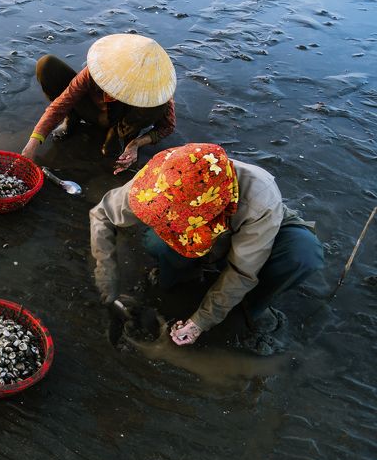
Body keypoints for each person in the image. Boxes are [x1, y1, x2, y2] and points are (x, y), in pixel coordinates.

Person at [90, 143, 323, 354]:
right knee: (157, 243)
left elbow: (242, 271)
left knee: (303, 255)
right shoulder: (164, 175)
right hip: (207, 233)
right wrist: (106, 272)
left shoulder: (261, 197)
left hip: (260, 230)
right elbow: (102, 215)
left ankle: (249, 307)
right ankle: (180, 276)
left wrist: (200, 322)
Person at [21, 33, 177, 174]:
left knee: (158, 105)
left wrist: (136, 144)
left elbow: (167, 127)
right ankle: (71, 119)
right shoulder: (99, 69)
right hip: (94, 110)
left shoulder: (157, 89)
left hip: (123, 120)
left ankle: (117, 135)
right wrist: (33, 142)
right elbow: (62, 103)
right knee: (47, 64)